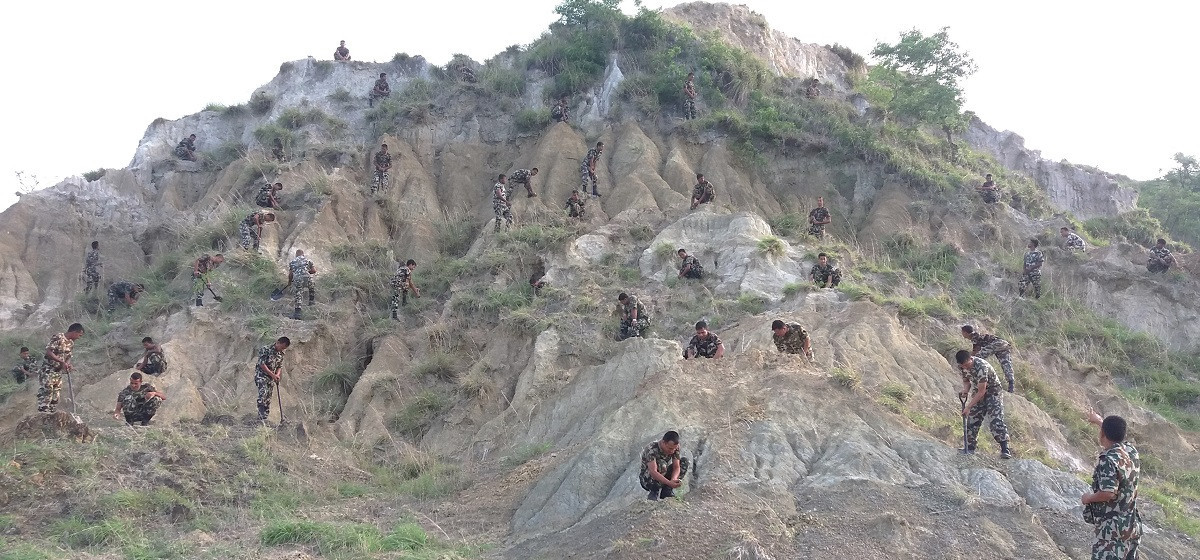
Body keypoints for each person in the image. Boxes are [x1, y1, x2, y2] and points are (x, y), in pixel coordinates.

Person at [1082, 411, 1141, 559]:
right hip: (1131, 525)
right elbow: (1114, 434)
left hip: (1112, 533)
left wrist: (1088, 498)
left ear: (1102, 433)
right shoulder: (1131, 452)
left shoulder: (1108, 460)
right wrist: (1099, 421)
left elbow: (1108, 493)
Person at [955, 349, 1012, 459]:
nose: (966, 367)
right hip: (978, 391)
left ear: (971, 359)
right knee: (972, 420)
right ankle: (970, 447)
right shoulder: (962, 366)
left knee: (996, 420)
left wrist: (968, 407)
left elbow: (982, 391)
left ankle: (1005, 449)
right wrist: (965, 390)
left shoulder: (981, 366)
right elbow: (966, 381)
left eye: (967, 365)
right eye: (963, 366)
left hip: (993, 392)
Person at [36, 323, 85, 413]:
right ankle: (43, 413)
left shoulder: (71, 343)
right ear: (74, 332)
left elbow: (68, 356)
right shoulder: (58, 337)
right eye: (79, 335)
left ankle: (51, 413)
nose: (79, 337)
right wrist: (61, 362)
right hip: (48, 370)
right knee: (47, 391)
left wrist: (67, 364)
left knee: (56, 395)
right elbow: (49, 352)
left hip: (58, 372)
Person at [961, 325, 1015, 393]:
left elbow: (976, 351)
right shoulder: (977, 335)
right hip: (1004, 344)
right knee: (1006, 364)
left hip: (997, 343)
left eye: (962, 332)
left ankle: (978, 376)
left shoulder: (973, 336)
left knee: (977, 358)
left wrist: (966, 359)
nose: (962, 334)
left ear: (965, 332)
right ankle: (1011, 385)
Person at [639, 430, 690, 500]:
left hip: (663, 473)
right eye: (670, 448)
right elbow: (653, 471)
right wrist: (669, 482)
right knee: (662, 464)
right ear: (663, 442)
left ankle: (667, 491)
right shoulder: (651, 449)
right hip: (648, 479)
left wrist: (673, 479)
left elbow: (676, 467)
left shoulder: (675, 447)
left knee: (684, 462)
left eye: (674, 449)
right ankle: (654, 491)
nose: (672, 451)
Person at [254, 337, 290, 423]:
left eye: (284, 348)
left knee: (268, 397)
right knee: (263, 393)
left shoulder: (281, 354)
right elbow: (262, 364)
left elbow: (279, 366)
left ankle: (265, 417)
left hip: (271, 378)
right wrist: (272, 375)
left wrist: (277, 375)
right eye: (282, 347)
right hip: (261, 375)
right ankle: (261, 416)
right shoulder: (265, 349)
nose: (282, 349)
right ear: (278, 342)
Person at [288, 250, 317, 320]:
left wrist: (289, 282)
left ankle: (297, 313)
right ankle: (311, 301)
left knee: (298, 294)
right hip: (307, 278)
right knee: (311, 286)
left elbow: (291, 274)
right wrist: (306, 271)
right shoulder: (308, 260)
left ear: (296, 255)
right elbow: (314, 271)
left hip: (298, 279)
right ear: (303, 254)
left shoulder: (292, 262)